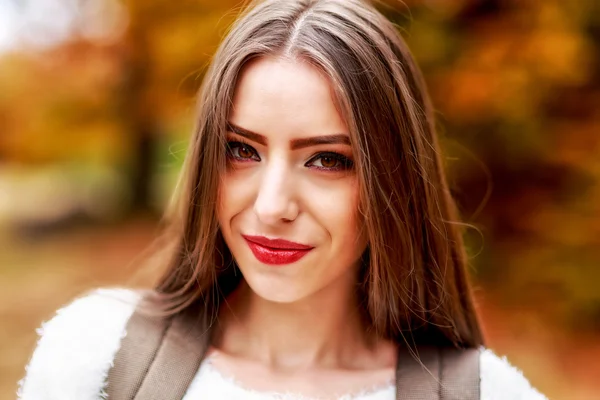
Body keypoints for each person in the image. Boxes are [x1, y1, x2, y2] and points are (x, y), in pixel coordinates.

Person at [18, 0, 547, 399]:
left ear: (395, 182)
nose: (272, 207)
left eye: (327, 160)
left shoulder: (489, 392)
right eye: (242, 150)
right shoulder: (93, 359)